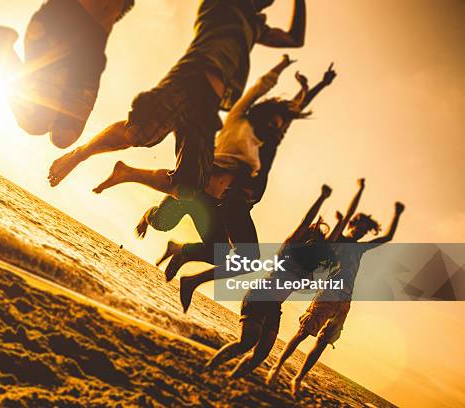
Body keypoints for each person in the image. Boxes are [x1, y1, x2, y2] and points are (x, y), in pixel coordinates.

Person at [48, 0, 308, 194]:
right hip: (191, 78)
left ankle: (126, 172)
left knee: (189, 187)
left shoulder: (255, 26)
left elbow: (295, 39)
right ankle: (79, 155)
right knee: (137, 134)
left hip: (209, 104)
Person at [137, 62, 337, 312]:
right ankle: (158, 227)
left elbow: (293, 110)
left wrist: (319, 86)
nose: (278, 128)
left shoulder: (270, 139)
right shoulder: (248, 131)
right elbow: (281, 107)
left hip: (232, 204)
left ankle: (186, 267)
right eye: (274, 124)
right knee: (162, 222)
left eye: (280, 125)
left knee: (229, 258)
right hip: (217, 193)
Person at [266, 179, 406, 395]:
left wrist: (396, 215)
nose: (360, 230)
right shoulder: (337, 240)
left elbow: (386, 237)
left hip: (344, 301)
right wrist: (360, 190)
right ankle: (277, 366)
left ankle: (298, 378)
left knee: (323, 342)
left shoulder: (360, 249)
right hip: (328, 292)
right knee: (304, 332)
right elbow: (349, 214)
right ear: (351, 225)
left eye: (364, 229)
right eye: (357, 226)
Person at [204, 185, 336, 379]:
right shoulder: (289, 248)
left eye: (316, 243)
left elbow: (329, 244)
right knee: (247, 342)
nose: (311, 243)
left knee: (260, 356)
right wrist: (322, 198)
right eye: (310, 238)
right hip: (260, 295)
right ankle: (208, 369)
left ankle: (229, 379)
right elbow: (304, 222)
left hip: (274, 307)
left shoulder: (308, 269)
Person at [0, 0, 135, 148]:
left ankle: (2, 43)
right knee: (34, 121)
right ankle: (2, 44)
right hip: (60, 25)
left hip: (89, 51)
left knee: (62, 137)